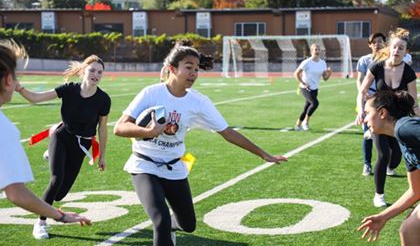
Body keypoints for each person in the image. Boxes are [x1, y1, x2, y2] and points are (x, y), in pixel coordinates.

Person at [113, 43, 287, 246]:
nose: (194, 73)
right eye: (188, 67)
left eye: (196, 69)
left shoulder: (199, 102)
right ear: (172, 68)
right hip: (145, 165)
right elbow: (119, 127)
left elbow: (228, 132)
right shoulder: (151, 93)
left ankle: (172, 226)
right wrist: (148, 132)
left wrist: (263, 154)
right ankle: (166, 227)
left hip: (174, 167)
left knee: (188, 224)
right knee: (160, 219)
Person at [0, 40, 91, 233]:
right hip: (64, 137)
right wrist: (61, 215)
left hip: (77, 143)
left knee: (61, 187)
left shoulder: (101, 98)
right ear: (8, 80)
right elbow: (16, 193)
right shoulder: (4, 129)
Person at [16, 54, 111, 239]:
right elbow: (36, 98)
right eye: (92, 70)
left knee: (60, 194)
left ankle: (50, 156)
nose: (96, 75)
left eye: (100, 72)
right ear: (83, 71)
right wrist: (19, 88)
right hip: (62, 136)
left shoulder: (103, 99)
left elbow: (103, 128)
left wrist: (102, 156)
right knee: (56, 179)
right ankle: (40, 223)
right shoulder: (69, 89)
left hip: (82, 144)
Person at [356, 28, 420, 207]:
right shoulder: (377, 66)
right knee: (383, 154)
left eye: (401, 48)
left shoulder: (408, 72)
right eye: (395, 47)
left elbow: (413, 101)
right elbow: (362, 91)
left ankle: (391, 167)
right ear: (389, 49)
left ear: (406, 52)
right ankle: (379, 195)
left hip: (397, 120)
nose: (397, 51)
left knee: (397, 156)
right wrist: (361, 111)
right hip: (380, 117)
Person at [358, 90, 420, 244]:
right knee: (409, 229)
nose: (364, 119)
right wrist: (383, 216)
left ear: (382, 113)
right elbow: (416, 190)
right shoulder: (403, 140)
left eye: (367, 113)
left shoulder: (404, 127)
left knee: (411, 228)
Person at [356, 32, 386, 176]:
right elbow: (359, 79)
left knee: (385, 133)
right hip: (367, 99)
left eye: (380, 41)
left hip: (383, 99)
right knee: (367, 133)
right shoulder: (364, 60)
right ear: (369, 45)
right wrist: (362, 92)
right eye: (374, 42)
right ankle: (367, 164)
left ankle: (387, 164)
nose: (377, 44)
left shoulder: (388, 59)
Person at [294, 43, 332, 131]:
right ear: (311, 51)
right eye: (315, 49)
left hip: (315, 88)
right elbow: (296, 73)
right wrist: (303, 83)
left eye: (319, 49)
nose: (317, 51)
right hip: (305, 88)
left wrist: (329, 73)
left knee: (307, 108)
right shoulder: (307, 62)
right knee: (315, 103)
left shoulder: (323, 63)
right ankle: (305, 122)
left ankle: (297, 125)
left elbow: (325, 78)